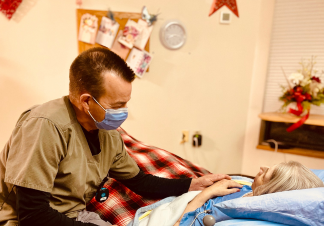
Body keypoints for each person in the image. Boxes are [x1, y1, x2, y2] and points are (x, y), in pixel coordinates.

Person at [0, 47, 230, 226]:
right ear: (86, 101)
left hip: (72, 215)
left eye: (126, 103)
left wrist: (192, 184)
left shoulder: (108, 133)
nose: (124, 112)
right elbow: (32, 214)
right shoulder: (44, 126)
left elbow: (139, 181)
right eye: (117, 105)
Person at [174, 161, 324, 226]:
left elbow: (180, 223)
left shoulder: (235, 212)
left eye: (265, 174)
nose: (261, 168)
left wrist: (206, 193)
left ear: (269, 191)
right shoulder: (250, 191)